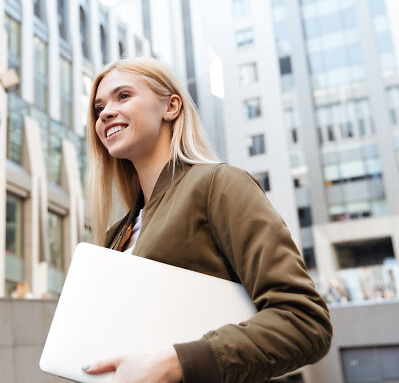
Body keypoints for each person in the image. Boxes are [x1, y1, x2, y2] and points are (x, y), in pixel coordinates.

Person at [81, 58, 332, 383]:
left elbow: (304, 323)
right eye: (99, 108)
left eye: (123, 96)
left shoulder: (219, 185)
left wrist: (176, 364)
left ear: (171, 107)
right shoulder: (118, 233)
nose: (105, 113)